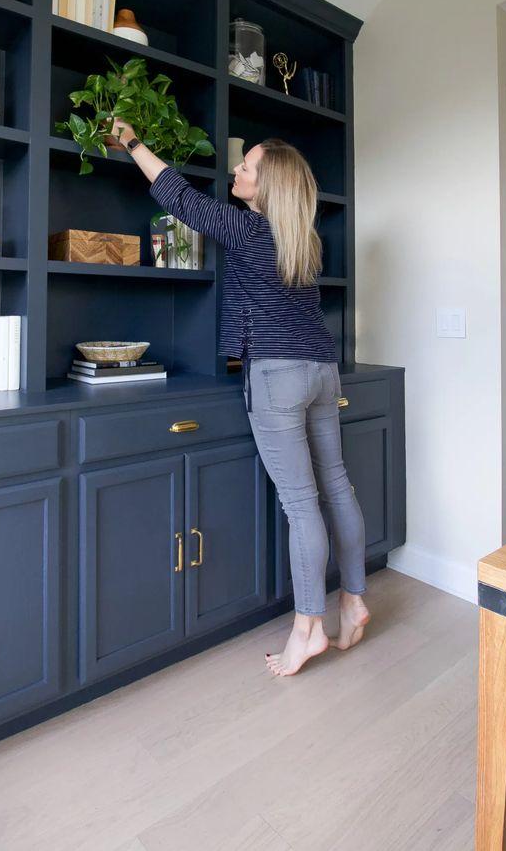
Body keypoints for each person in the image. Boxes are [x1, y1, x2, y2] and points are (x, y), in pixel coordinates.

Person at [108, 116, 370, 677]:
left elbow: (181, 199)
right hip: (323, 370)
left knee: (302, 506)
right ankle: (352, 601)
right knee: (337, 487)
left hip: (277, 375)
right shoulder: (306, 240)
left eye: (245, 167)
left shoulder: (249, 230)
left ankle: (307, 629)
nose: (236, 169)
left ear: (265, 185)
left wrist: (131, 141)